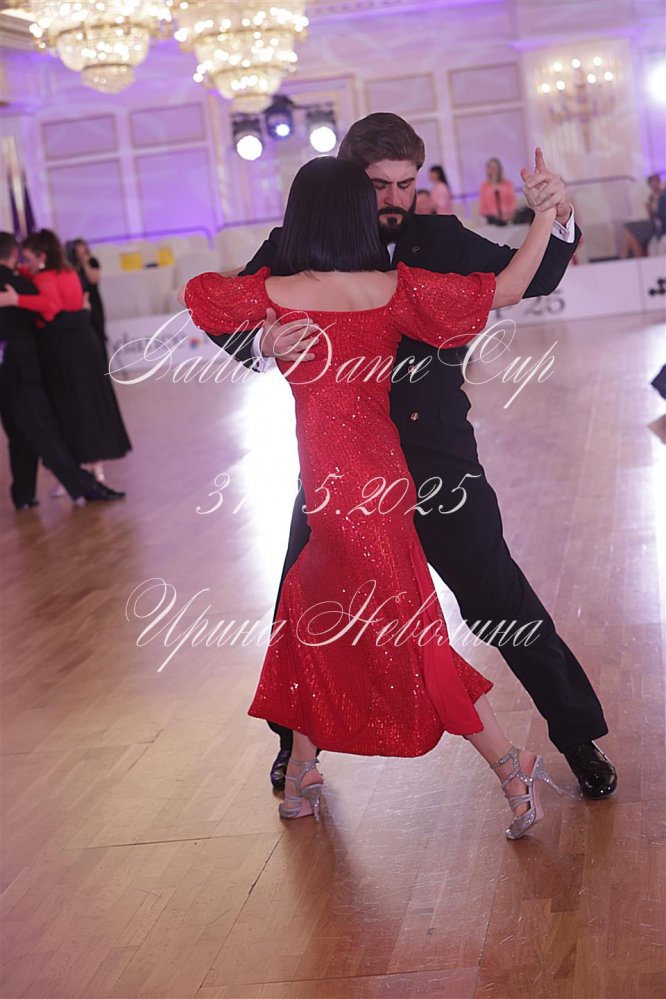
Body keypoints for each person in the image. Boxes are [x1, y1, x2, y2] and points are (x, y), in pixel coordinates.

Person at [200, 113, 616, 802]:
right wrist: (261, 344)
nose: (395, 198)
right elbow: (228, 315)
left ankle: (577, 736)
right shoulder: (296, 243)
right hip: (340, 471)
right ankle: (295, 750)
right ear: (348, 180)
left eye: (406, 183)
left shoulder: (440, 239)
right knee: (302, 609)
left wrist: (559, 213)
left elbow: (529, 279)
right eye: (379, 185)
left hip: (439, 464)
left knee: (501, 601)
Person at [0, 232, 124, 507]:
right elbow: (51, 308)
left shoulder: (32, 280)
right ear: (13, 255)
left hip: (25, 367)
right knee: (45, 431)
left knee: (21, 435)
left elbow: (50, 306)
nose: (25, 263)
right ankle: (82, 486)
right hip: (29, 368)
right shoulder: (28, 283)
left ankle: (25, 495)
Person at [620, 174, 663, 258]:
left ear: (659, 182)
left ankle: (624, 257)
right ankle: (627, 256)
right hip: (649, 221)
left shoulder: (663, 195)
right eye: (652, 182)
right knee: (629, 232)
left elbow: (655, 213)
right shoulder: (649, 195)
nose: (654, 184)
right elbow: (649, 211)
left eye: (656, 181)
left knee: (629, 229)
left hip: (655, 223)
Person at [479, 157, 517, 225]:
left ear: (499, 169)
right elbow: (483, 208)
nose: (493, 170)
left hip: (507, 216)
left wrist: (507, 212)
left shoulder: (508, 184)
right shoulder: (484, 186)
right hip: (491, 217)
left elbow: (512, 202)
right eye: (491, 167)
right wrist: (493, 213)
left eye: (495, 167)